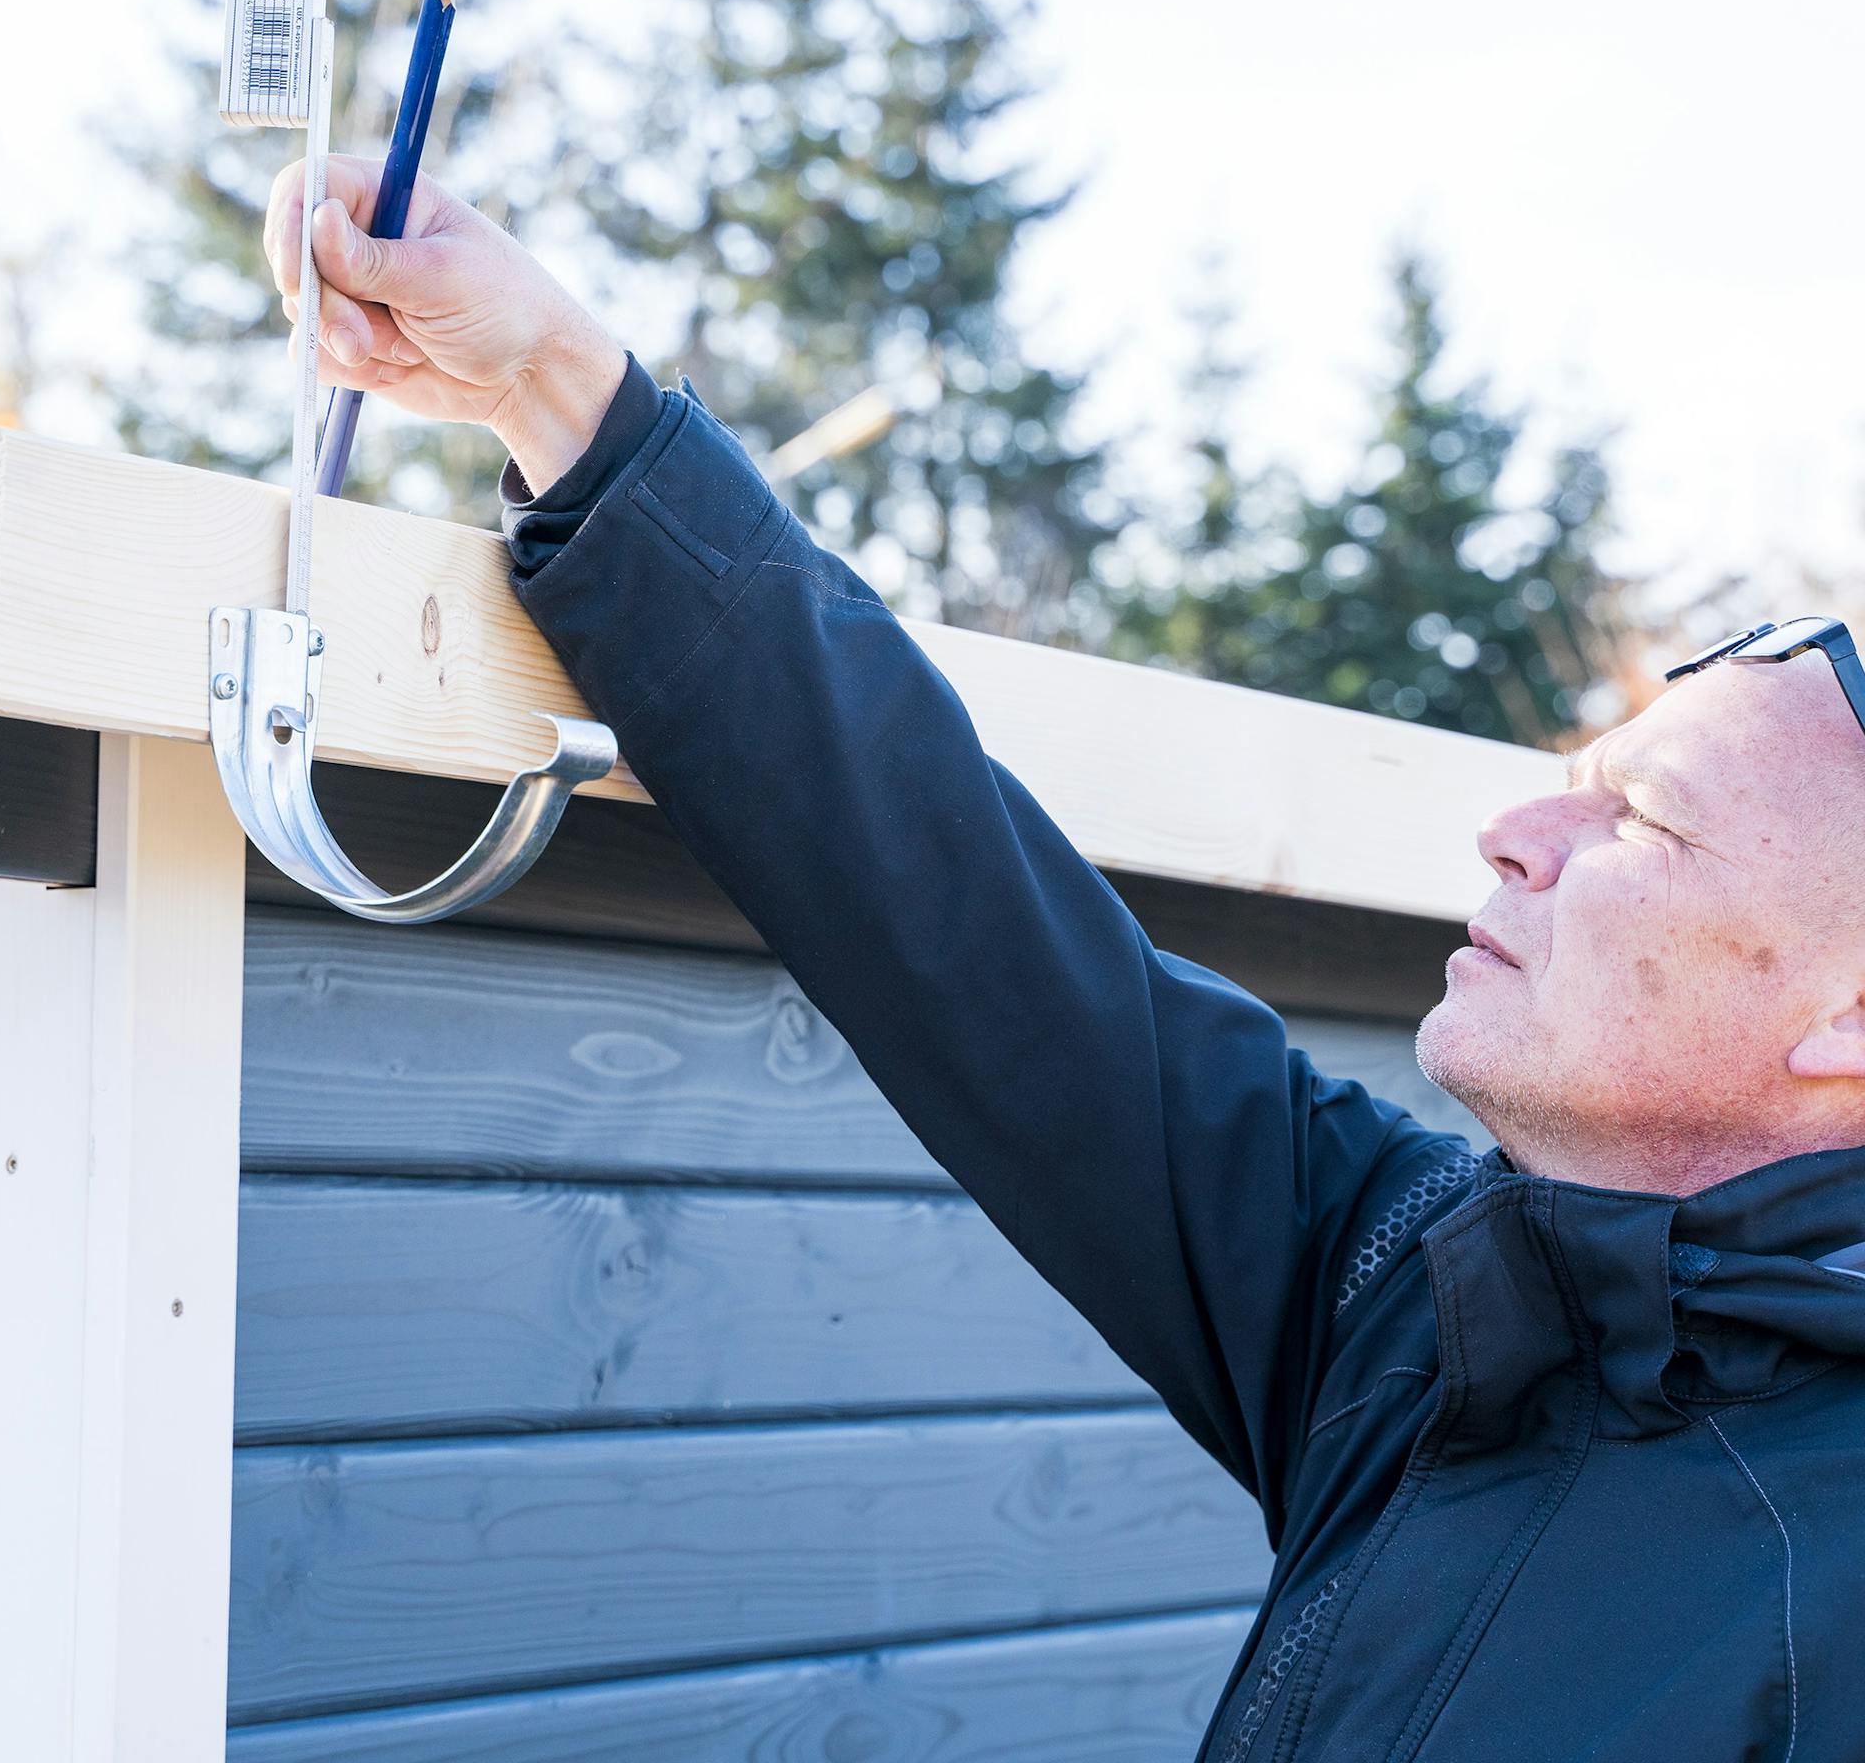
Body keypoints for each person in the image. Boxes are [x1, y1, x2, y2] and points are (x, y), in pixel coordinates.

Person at [265, 159, 1865, 1763]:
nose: (1516, 832)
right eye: (1566, 780)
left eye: (1639, 823)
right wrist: (551, 380)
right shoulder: (1435, 1300)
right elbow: (964, 920)